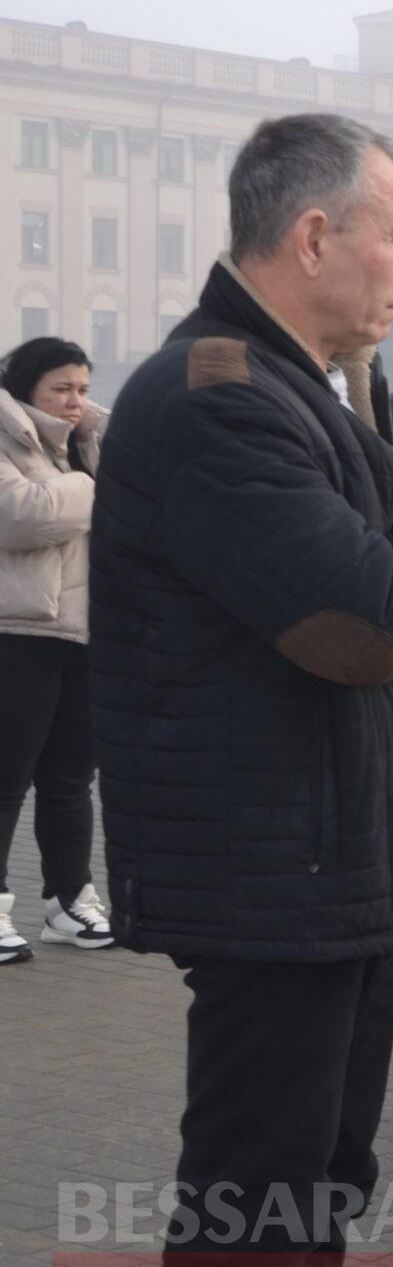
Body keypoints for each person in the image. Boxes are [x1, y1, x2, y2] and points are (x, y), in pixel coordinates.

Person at [89, 113, 393, 1267]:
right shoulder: (218, 399)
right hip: (273, 873)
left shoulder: (298, 390)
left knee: (313, 1191)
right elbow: (370, 618)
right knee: (250, 1206)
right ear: (314, 236)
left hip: (331, 864)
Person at [0, 337, 110, 961]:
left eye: (83, 389)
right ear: (27, 389)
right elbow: (21, 514)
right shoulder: (8, 436)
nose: (74, 402)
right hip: (18, 633)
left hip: (84, 631)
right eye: (61, 389)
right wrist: (94, 488)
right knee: (6, 779)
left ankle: (70, 901)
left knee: (71, 778)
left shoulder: (87, 444)